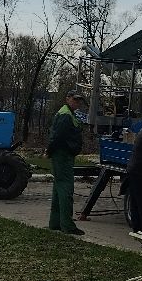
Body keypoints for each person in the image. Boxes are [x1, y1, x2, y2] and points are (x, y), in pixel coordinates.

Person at [46, 91, 88, 236]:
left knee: (58, 189)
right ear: (67, 99)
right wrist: (50, 151)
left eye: (79, 100)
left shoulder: (69, 113)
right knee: (65, 189)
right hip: (63, 155)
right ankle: (67, 225)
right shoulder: (65, 115)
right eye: (75, 99)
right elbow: (58, 136)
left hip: (62, 154)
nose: (77, 102)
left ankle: (55, 222)